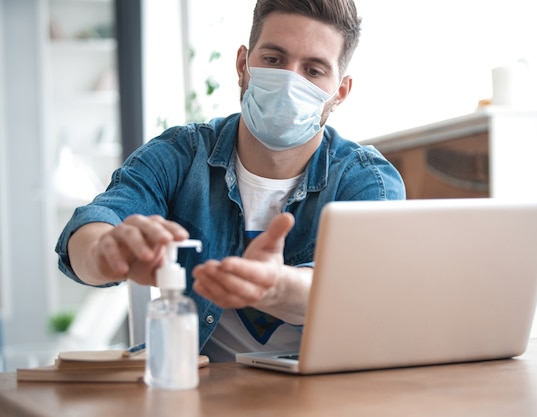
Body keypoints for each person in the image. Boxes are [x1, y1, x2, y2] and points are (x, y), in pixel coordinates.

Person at [55, 0, 406, 362]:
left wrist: (276, 287)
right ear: (243, 65)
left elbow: (364, 291)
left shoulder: (368, 181)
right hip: (195, 389)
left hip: (323, 394)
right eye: (273, 60)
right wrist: (103, 252)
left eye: (313, 70)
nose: (290, 82)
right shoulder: (181, 154)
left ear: (340, 93)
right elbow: (96, 223)